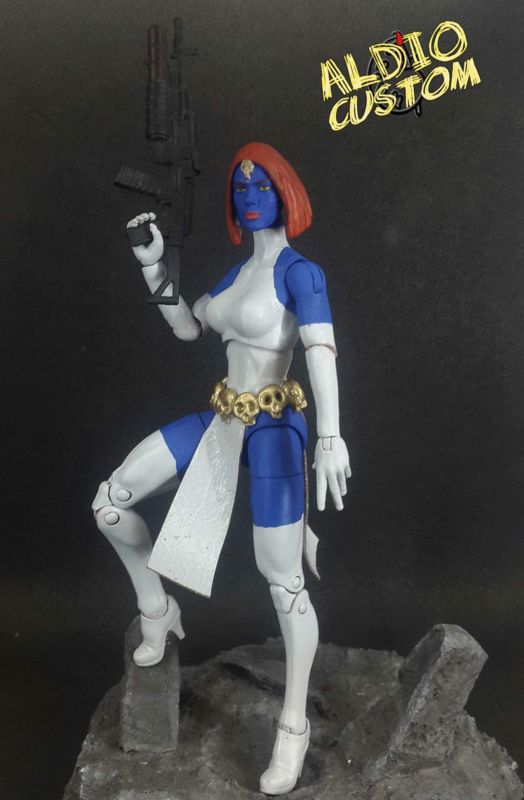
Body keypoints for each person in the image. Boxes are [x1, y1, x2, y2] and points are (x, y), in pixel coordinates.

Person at [92, 142, 350, 795]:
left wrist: (329, 436)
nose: (249, 194)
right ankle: (157, 608)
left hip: (273, 430)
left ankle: (293, 725)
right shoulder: (238, 275)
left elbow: (321, 352)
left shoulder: (301, 274)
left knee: (283, 580)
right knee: (112, 502)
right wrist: (153, 267)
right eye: (239, 186)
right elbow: (187, 327)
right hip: (222, 420)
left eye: (262, 184)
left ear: (285, 191)